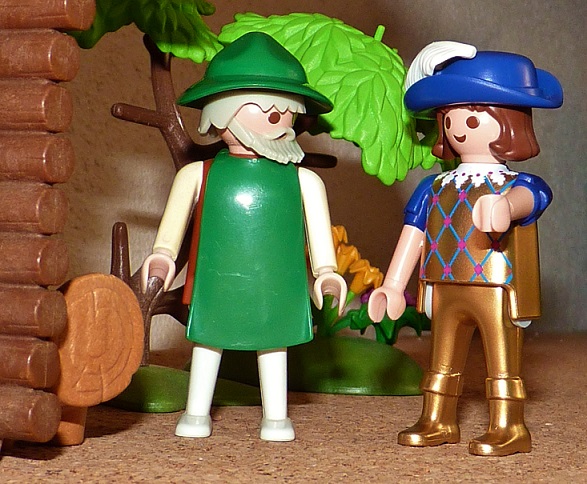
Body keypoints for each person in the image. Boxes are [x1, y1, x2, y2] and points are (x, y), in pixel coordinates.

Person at [141, 32, 346, 442]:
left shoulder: (304, 181)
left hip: (277, 284)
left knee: (273, 347)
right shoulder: (197, 174)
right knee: (207, 344)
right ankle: (196, 413)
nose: (278, 120)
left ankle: (276, 418)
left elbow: (319, 237)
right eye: (269, 110)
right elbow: (171, 233)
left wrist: (326, 273)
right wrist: (161, 257)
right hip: (215, 281)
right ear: (220, 114)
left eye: (286, 112)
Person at [368, 41, 562, 456]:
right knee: (442, 355)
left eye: (472, 117)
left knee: (502, 358)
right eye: (450, 117)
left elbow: (532, 199)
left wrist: (507, 207)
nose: (459, 127)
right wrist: (393, 285)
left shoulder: (515, 184)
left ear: (509, 124)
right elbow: (414, 232)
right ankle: (437, 418)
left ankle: (509, 425)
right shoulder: (435, 186)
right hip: (444, 284)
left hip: (497, 287)